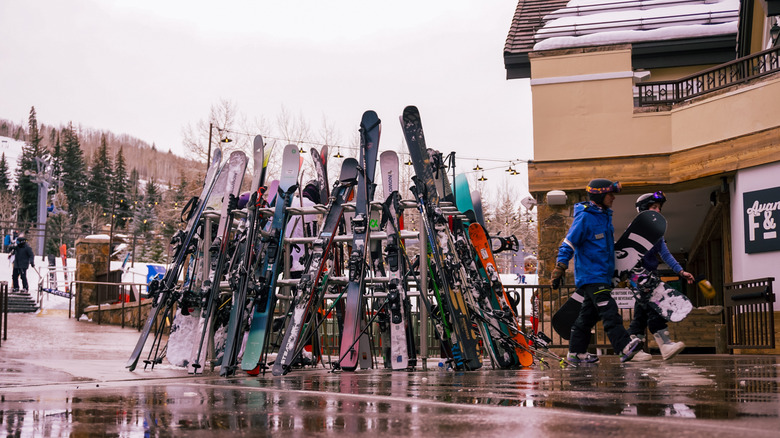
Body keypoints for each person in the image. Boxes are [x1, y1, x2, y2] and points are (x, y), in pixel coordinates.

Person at [551, 178, 644, 364]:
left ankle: (576, 352)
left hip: (602, 274)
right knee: (608, 309)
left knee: (587, 316)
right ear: (600, 195)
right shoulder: (585, 217)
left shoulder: (603, 216)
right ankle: (624, 346)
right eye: (610, 194)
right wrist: (560, 267)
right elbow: (569, 242)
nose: (613, 198)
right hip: (592, 275)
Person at [628, 192, 694, 361]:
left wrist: (680, 271)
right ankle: (664, 345)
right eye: (654, 207)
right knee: (655, 308)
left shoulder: (657, 232)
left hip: (651, 275)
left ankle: (632, 348)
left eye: (659, 208)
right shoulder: (634, 228)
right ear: (643, 210)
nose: (658, 210)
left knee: (642, 312)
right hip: (639, 276)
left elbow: (665, 254)